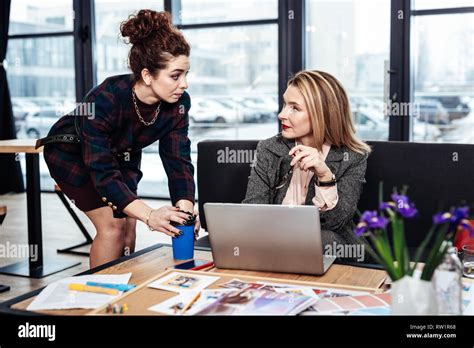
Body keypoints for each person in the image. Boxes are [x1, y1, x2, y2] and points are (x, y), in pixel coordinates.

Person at [38, 10, 198, 268]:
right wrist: (150, 215)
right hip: (72, 153)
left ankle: (122, 292)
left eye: (186, 74)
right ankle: (98, 301)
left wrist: (185, 207)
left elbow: (178, 159)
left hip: (122, 154)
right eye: (176, 75)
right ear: (147, 75)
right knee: (113, 225)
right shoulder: (105, 99)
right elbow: (102, 172)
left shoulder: (178, 104)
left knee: (128, 229)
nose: (185, 84)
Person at [243, 70, 371, 251]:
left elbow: (336, 223)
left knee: (324, 239)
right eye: (285, 104)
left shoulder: (353, 157)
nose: (281, 114)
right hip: (275, 246)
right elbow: (252, 210)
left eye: (294, 108)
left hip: (330, 249)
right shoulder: (269, 148)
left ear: (323, 113)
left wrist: (325, 176)